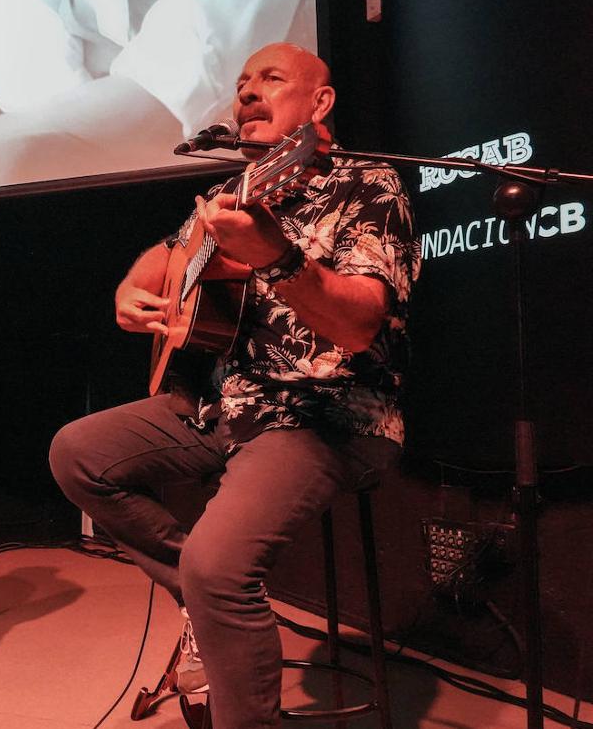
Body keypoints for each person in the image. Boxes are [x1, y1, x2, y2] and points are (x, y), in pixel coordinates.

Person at [48, 43, 420, 729]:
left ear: (320, 104)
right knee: (77, 453)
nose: (247, 92)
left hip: (322, 414)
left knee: (220, 570)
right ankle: (198, 588)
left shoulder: (369, 184)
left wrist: (275, 257)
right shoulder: (230, 195)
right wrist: (133, 290)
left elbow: (363, 325)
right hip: (220, 405)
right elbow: (167, 257)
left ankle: (210, 598)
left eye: (270, 80)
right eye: (242, 83)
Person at [0, 0, 315, 189]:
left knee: (23, 161)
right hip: (122, 154)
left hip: (251, 164)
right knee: (26, 157)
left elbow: (168, 95)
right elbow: (24, 65)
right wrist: (105, 112)